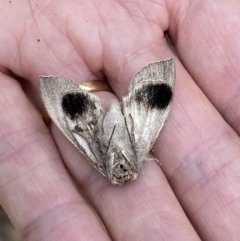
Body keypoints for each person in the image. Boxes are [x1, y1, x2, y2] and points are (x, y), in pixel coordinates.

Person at [0, 1, 239, 240]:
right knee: (152, 102)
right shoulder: (125, 161)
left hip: (103, 138)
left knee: (76, 117)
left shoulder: (107, 163)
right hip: (131, 134)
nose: (122, 171)